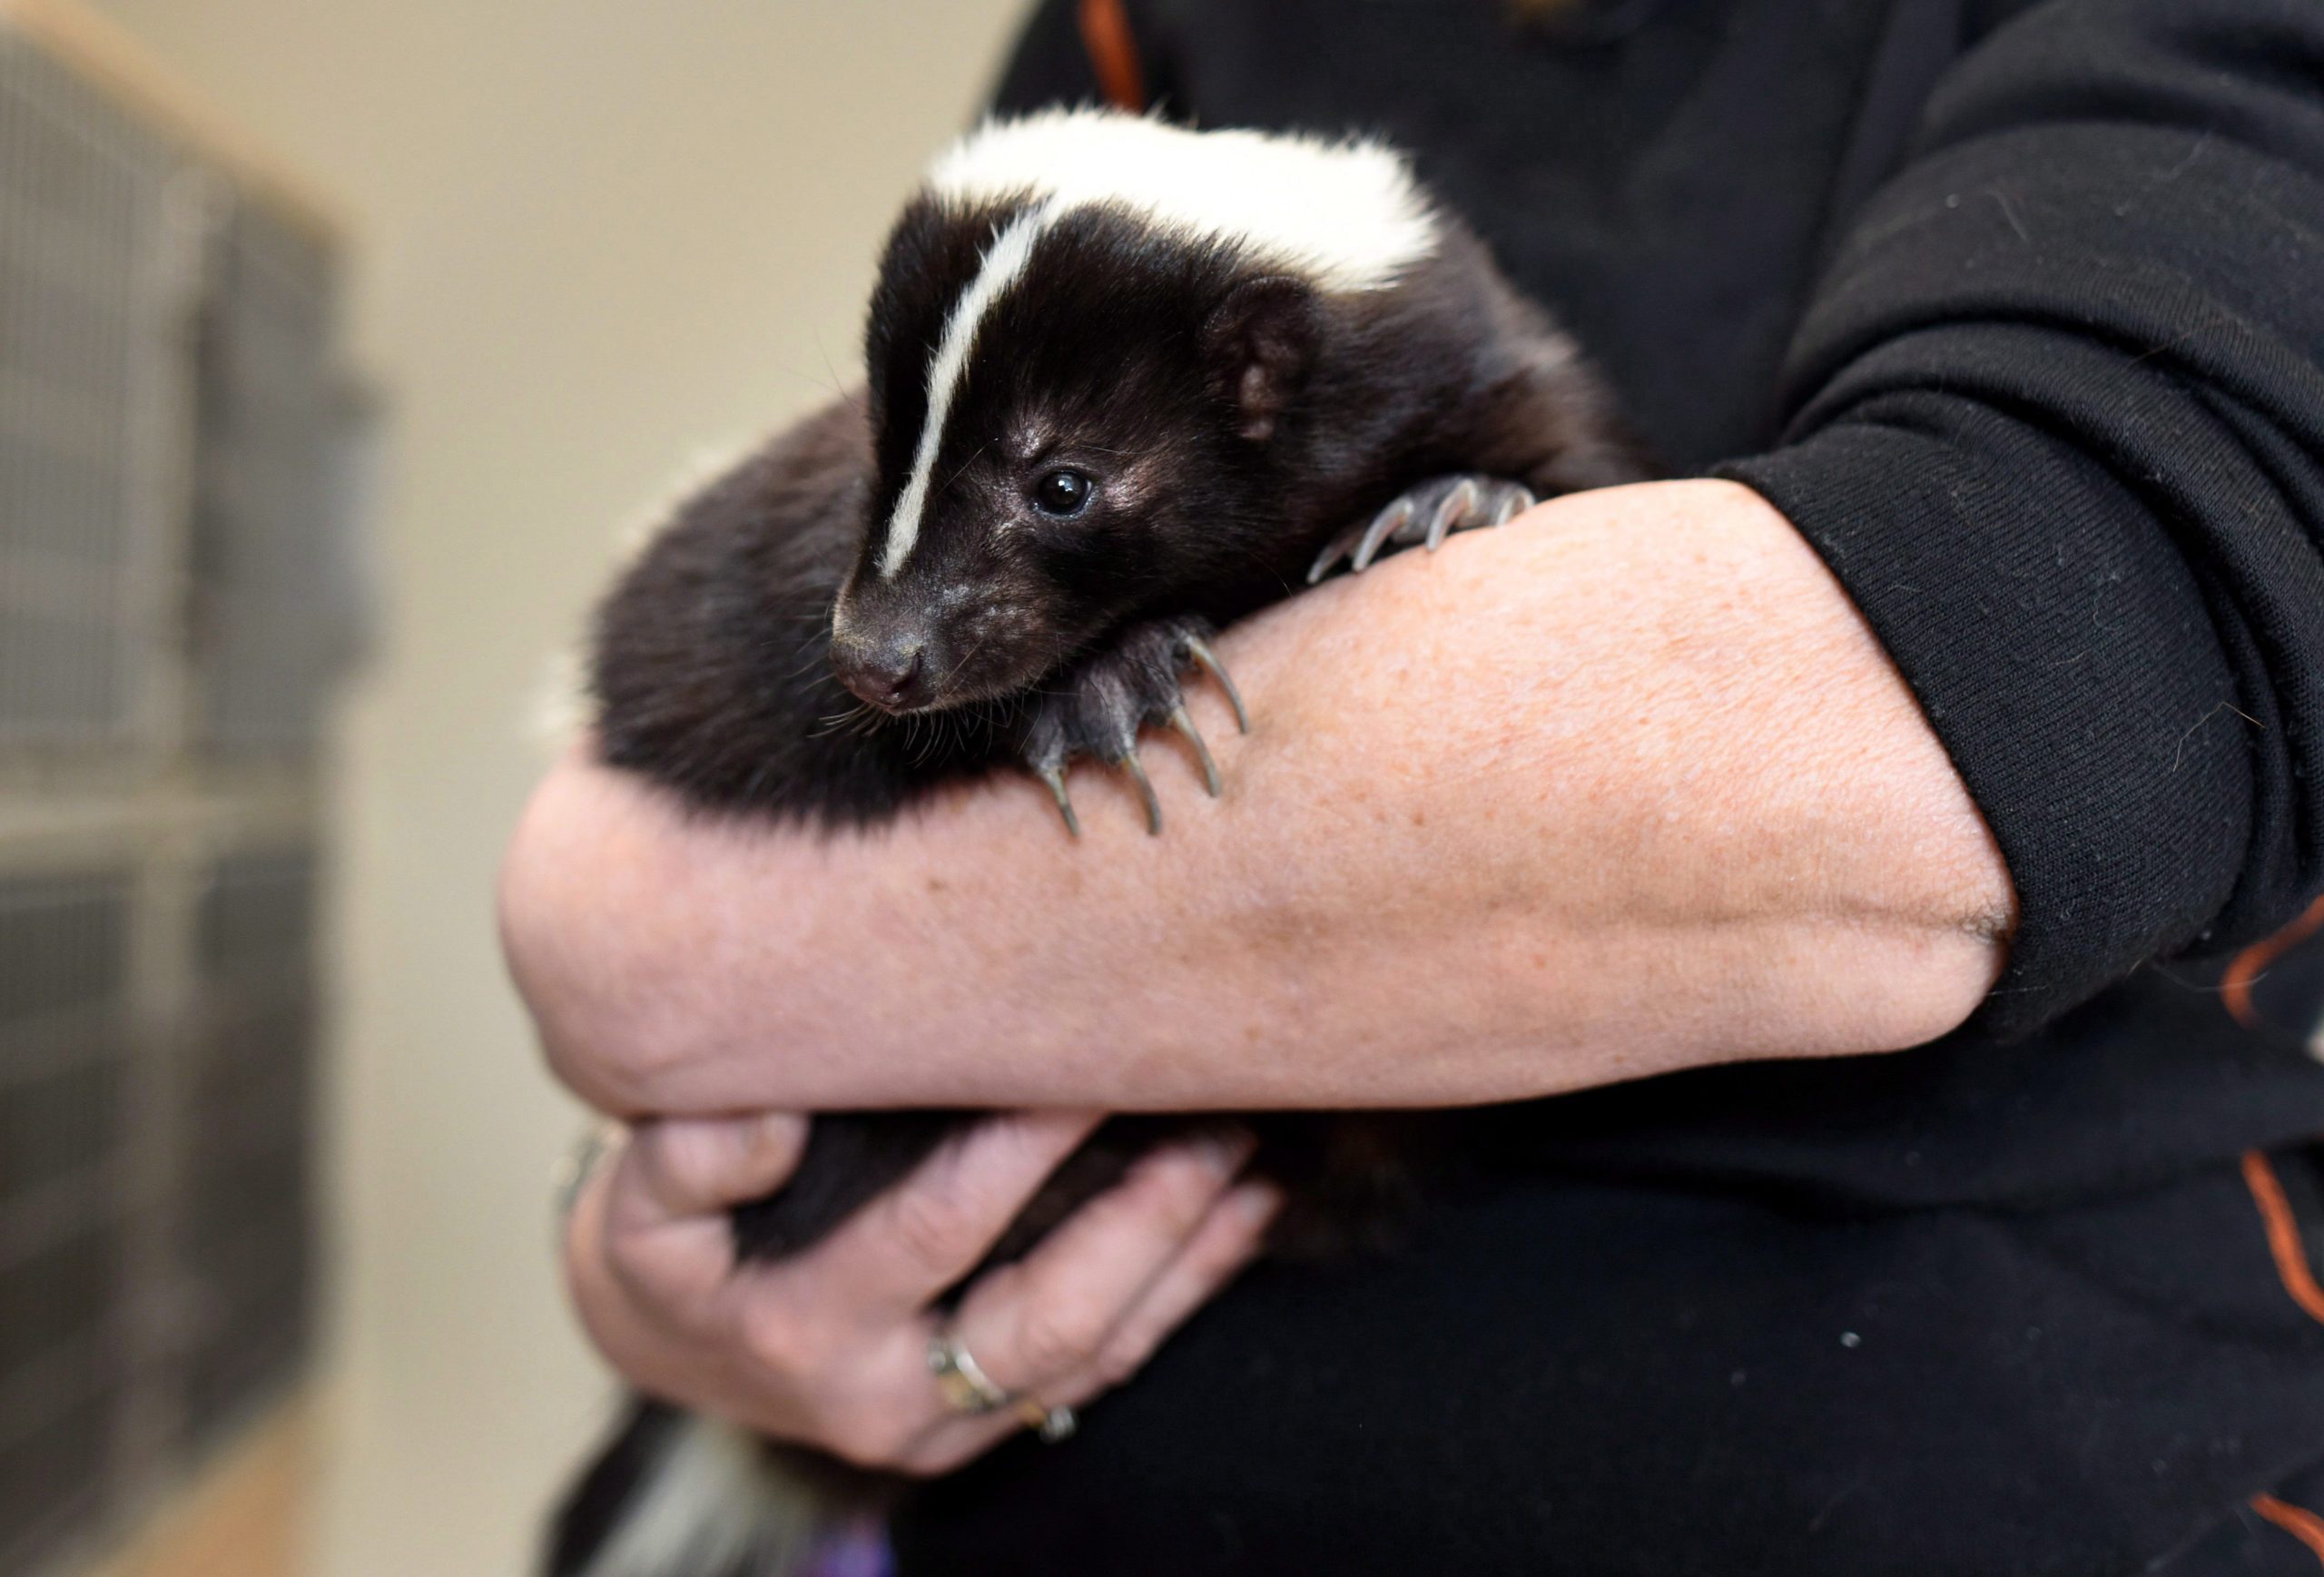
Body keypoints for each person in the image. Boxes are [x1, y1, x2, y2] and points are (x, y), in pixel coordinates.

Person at [498, 0, 2324, 1570]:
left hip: (1975, 1473)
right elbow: (861, 551)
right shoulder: (1143, 66)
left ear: (1267, 381)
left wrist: (649, 947)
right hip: (1006, 1478)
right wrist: (658, 1252)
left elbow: (1961, 712)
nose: (887, 633)